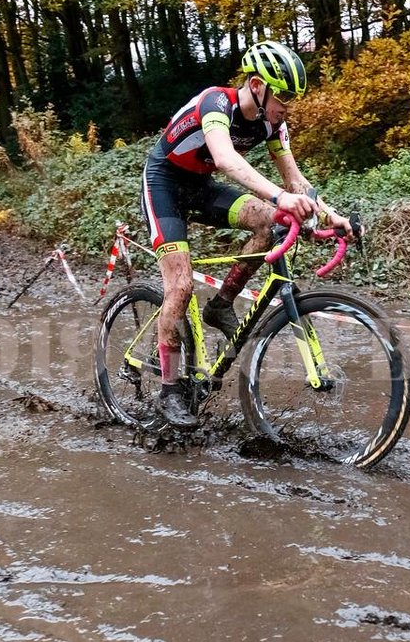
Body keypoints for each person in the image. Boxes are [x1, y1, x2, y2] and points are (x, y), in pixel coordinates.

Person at [142, 39, 355, 429]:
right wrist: (279, 197)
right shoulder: (215, 103)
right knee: (181, 285)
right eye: (284, 95)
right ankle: (170, 391)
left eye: (294, 97)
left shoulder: (273, 122)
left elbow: (295, 179)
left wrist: (331, 216)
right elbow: (225, 159)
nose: (288, 104)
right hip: (165, 184)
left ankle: (221, 304)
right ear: (257, 85)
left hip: (202, 186)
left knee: (268, 222)